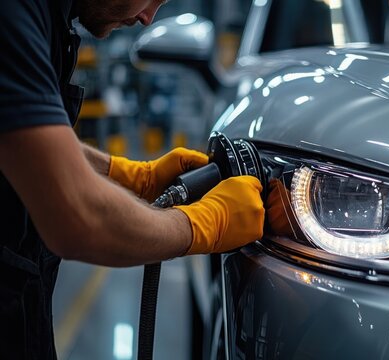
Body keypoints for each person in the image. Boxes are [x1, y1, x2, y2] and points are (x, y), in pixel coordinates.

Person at [0, 0, 265, 358]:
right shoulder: (15, 14)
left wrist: (132, 177)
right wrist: (200, 227)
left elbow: (28, 144)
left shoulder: (48, 17)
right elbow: (77, 218)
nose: (147, 18)